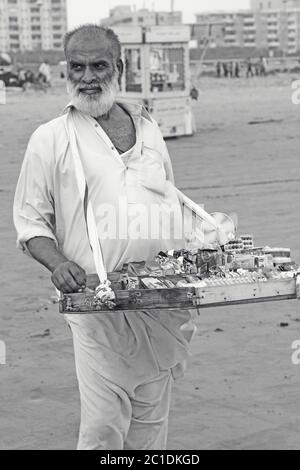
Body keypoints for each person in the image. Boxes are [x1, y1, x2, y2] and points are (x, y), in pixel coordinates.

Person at [13, 24, 195, 450]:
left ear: (121, 67)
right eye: (77, 67)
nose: (88, 77)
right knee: (103, 429)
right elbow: (30, 223)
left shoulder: (148, 129)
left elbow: (170, 199)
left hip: (159, 303)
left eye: (99, 65)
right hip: (98, 306)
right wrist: (58, 264)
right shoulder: (50, 138)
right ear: (66, 71)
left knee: (151, 429)